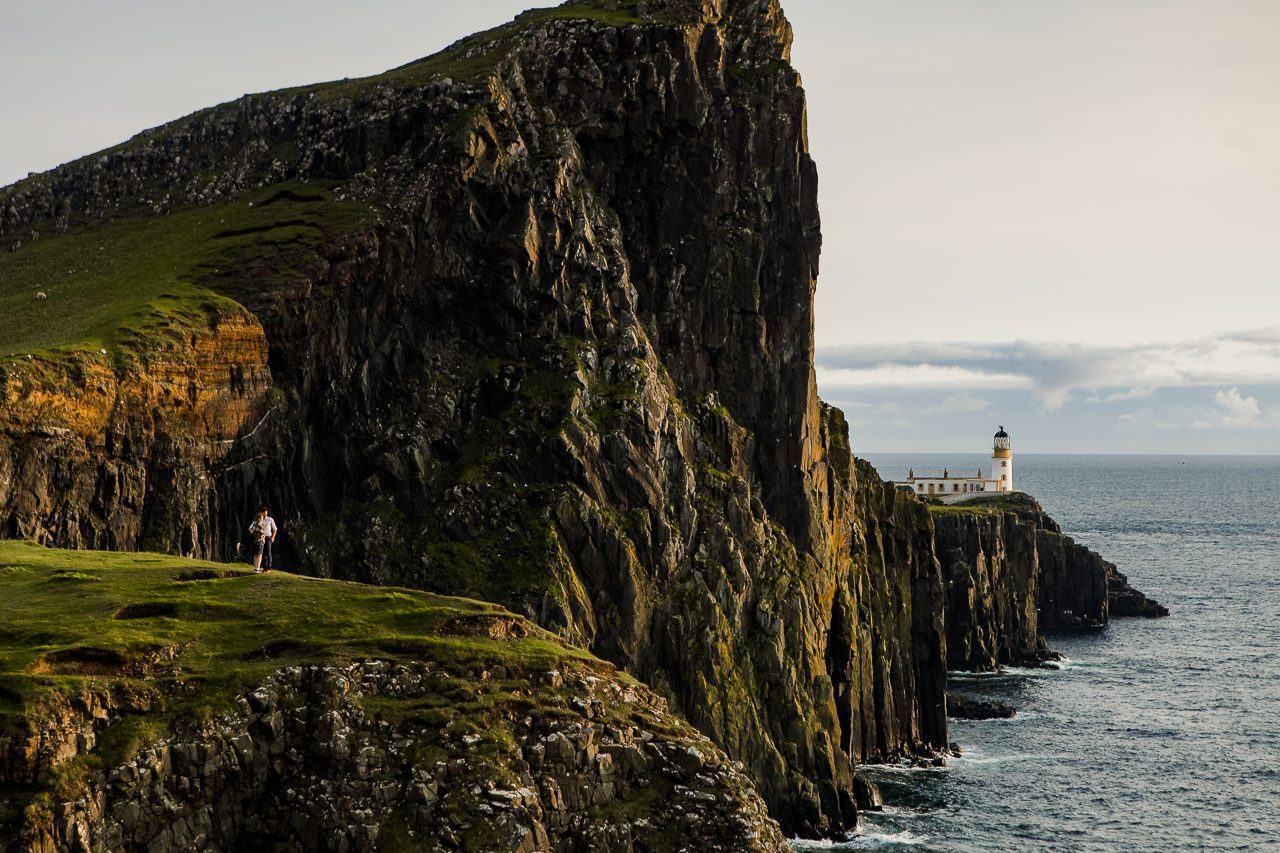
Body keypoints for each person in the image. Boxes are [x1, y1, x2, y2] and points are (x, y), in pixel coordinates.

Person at [251, 506, 278, 573]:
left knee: (268, 552)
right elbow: (253, 527)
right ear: (261, 512)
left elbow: (275, 529)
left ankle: (269, 567)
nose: (265, 513)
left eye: (266, 512)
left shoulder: (270, 519)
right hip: (260, 538)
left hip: (268, 537)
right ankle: (264, 567)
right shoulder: (259, 519)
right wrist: (255, 535)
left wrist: (273, 537)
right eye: (264, 512)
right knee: (262, 553)